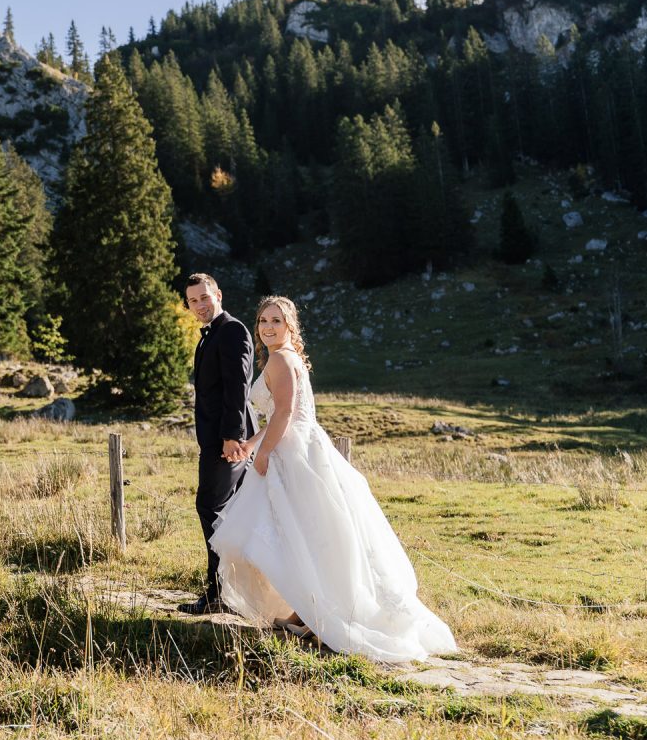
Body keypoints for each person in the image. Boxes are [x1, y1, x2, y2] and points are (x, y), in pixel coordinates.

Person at [209, 296, 457, 662]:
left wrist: (262, 454)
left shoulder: (280, 359)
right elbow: (282, 414)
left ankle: (316, 611)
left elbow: (286, 414)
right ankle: (305, 611)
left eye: (276, 320)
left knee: (290, 532)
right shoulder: (288, 358)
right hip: (300, 446)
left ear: (290, 325)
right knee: (307, 532)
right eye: (262, 321)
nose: (267, 327)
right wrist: (250, 443)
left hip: (292, 453)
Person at [178, 273, 258, 615]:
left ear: (219, 295)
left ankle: (219, 594)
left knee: (210, 508)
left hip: (228, 441)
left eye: (204, 298)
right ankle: (233, 591)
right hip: (219, 437)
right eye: (193, 301)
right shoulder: (210, 335)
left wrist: (231, 438)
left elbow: (238, 388)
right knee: (230, 512)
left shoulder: (232, 330)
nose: (199, 305)